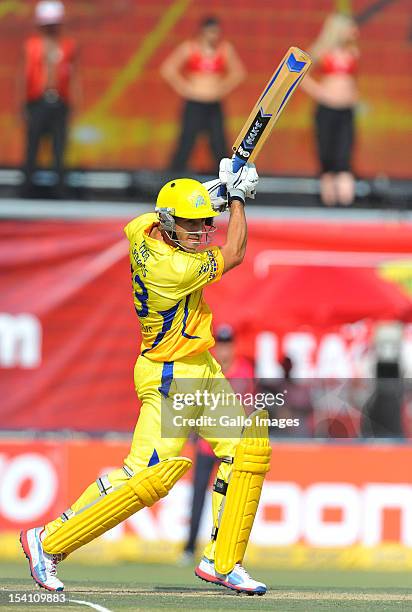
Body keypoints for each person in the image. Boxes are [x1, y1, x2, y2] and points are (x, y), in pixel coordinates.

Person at [20, 159, 272, 596]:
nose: (200, 233)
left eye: (203, 223)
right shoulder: (170, 270)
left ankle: (223, 561)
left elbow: (157, 216)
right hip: (171, 375)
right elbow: (235, 253)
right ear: (169, 225)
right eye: (191, 226)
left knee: (248, 447)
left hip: (200, 366)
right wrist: (235, 198)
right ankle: (49, 540)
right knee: (147, 477)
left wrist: (209, 191)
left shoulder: (143, 228)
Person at [181, 324, 254, 563]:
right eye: (220, 345)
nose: (224, 350)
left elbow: (249, 405)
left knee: (229, 499)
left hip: (231, 447)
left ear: (233, 346)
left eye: (227, 344)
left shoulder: (243, 370)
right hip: (206, 444)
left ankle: (224, 547)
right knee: (199, 497)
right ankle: (190, 547)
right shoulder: (209, 368)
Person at [160, 16, 245, 172]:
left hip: (214, 103)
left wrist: (223, 87)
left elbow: (238, 73)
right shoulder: (189, 48)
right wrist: (184, 87)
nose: (214, 36)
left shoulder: (225, 49)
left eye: (216, 32)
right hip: (194, 102)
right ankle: (174, 174)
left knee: (218, 141)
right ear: (202, 32)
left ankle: (225, 177)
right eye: (211, 32)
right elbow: (168, 69)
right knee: (187, 140)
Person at [18, 1, 80, 198]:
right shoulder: (31, 45)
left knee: (59, 148)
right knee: (32, 146)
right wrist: (22, 104)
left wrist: (75, 103)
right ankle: (26, 188)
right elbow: (23, 76)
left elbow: (75, 76)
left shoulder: (68, 46)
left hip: (60, 101)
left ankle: (60, 190)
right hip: (37, 101)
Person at [301, 13, 359, 206]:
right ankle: (329, 202)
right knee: (327, 156)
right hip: (327, 109)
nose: (355, 32)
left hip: (346, 110)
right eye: (351, 28)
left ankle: (346, 204)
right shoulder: (323, 51)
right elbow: (301, 74)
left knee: (344, 155)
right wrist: (320, 92)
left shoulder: (353, 51)